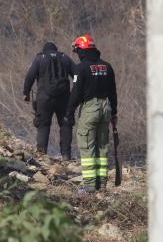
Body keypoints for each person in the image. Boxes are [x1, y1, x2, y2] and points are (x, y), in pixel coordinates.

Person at [63, 34, 118, 192]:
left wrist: (69, 111)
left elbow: (76, 93)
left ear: (82, 50)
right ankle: (102, 184)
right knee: (102, 146)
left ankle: (89, 187)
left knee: (87, 146)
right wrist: (114, 112)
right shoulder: (107, 66)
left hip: (90, 109)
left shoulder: (81, 68)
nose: (78, 54)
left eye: (78, 50)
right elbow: (113, 92)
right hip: (106, 108)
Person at [22, 42, 76, 159]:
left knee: (43, 125)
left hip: (44, 98)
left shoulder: (39, 59)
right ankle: (66, 155)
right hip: (64, 98)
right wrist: (75, 91)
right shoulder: (65, 58)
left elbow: (30, 76)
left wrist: (26, 93)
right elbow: (77, 75)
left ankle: (41, 154)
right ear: (56, 50)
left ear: (44, 50)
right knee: (66, 124)